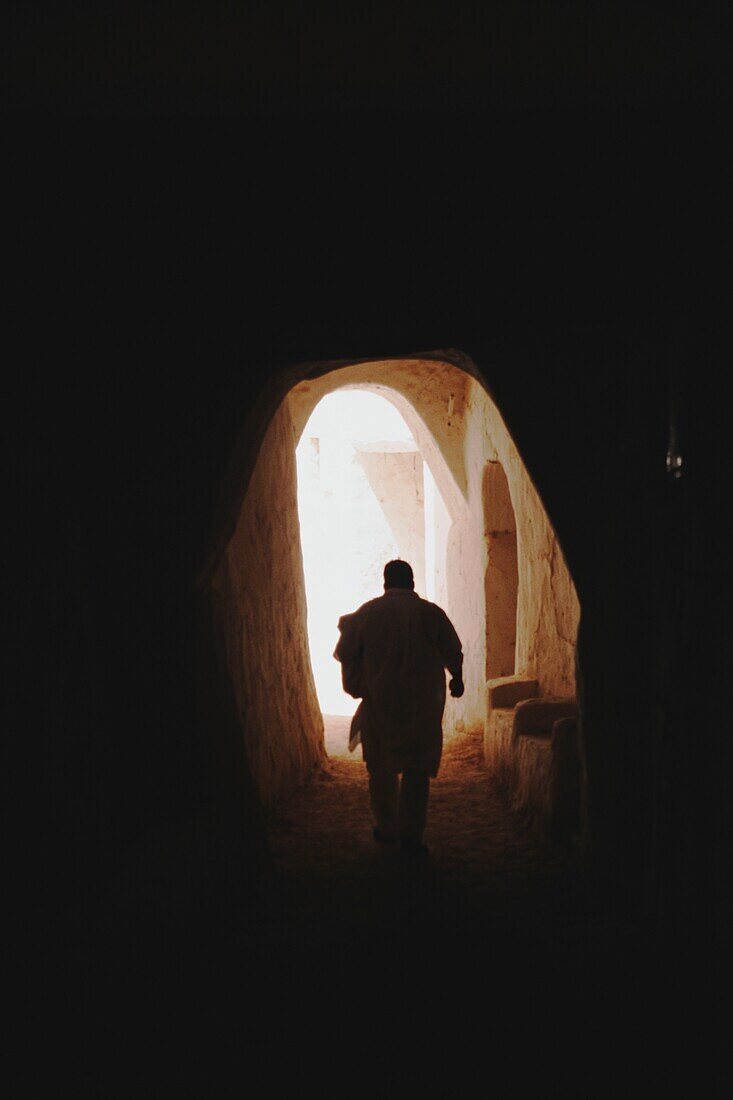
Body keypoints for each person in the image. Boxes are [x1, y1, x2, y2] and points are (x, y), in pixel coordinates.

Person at [333, 559, 464, 857]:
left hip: (381, 704)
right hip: (423, 705)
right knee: (417, 771)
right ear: (413, 582)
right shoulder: (431, 614)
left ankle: (387, 828)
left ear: (385, 582)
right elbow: (453, 652)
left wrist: (356, 684)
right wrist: (457, 679)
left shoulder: (368, 614)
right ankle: (411, 837)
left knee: (380, 770)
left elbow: (345, 652)